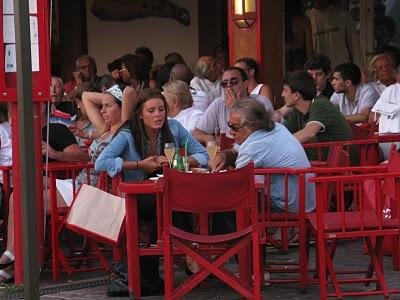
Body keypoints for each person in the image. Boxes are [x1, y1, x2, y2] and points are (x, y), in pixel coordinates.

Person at [95, 88, 208, 294]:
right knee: (169, 201)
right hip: (135, 197)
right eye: (151, 110)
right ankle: (188, 253)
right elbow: (101, 163)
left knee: (172, 199)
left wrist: (176, 161)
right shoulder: (129, 133)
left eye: (161, 109)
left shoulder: (173, 128)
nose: (158, 115)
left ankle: (155, 270)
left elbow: (202, 154)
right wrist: (139, 165)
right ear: (140, 113)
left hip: (167, 194)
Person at [0, 100, 89, 282]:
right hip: (39, 185)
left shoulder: (55, 129)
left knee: (22, 194)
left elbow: (81, 156)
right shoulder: (20, 134)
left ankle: (14, 257)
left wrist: (54, 154)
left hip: (66, 185)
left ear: (41, 107)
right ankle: (12, 255)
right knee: (17, 196)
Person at [209, 98, 315, 213]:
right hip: (305, 201)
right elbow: (235, 152)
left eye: (235, 127)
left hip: (289, 206)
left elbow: (237, 182)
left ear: (252, 125)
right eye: (229, 125)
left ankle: (232, 231)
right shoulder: (275, 127)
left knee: (225, 199)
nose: (230, 132)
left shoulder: (254, 146)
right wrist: (224, 156)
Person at [282, 70, 353, 159]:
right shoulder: (297, 111)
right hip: (322, 165)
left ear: (296, 95)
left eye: (285, 91)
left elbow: (308, 133)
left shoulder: (321, 104)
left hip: (346, 169)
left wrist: (278, 146)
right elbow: (282, 132)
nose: (282, 94)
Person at [193, 67, 273, 144]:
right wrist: (207, 137)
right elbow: (196, 132)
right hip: (227, 153)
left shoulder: (261, 102)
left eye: (234, 81)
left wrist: (234, 108)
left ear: (245, 84)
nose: (229, 85)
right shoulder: (219, 103)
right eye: (224, 83)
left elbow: (261, 133)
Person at [305, 0, 363, 68]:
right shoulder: (306, 18)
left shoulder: (343, 15)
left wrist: (359, 70)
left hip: (343, 69)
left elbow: (354, 45)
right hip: (320, 71)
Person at [371, 63, 400, 158]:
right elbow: (373, 115)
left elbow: (373, 116)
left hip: (386, 142)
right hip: (389, 142)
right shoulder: (391, 90)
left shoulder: (390, 90)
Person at [284, 0, 314, 72]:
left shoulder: (281, 21)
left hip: (285, 58)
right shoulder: (304, 21)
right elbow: (309, 49)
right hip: (300, 59)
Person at [67, 82, 98, 147]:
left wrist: (86, 135)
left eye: (96, 102)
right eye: (89, 102)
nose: (93, 106)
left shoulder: (101, 124)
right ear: (78, 102)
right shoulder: (68, 121)